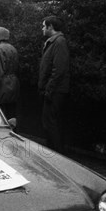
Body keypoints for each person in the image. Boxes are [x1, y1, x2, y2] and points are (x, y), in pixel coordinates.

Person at [38, 16, 70, 153]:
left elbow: (59, 69)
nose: (42, 28)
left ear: (51, 27)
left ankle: (56, 155)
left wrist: (49, 90)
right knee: (50, 123)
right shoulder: (53, 42)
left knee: (52, 124)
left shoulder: (59, 42)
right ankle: (54, 152)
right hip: (52, 90)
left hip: (55, 91)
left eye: (44, 26)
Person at [0, 27, 19, 119]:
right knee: (11, 114)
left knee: (1, 114)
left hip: (3, 86)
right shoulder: (13, 48)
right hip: (14, 84)